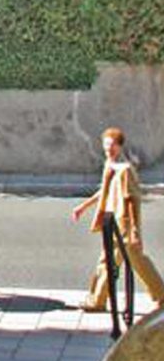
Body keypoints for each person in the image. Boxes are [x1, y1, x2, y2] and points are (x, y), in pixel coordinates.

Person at [72, 127, 164, 312]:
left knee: (112, 262)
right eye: (106, 146)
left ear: (120, 146)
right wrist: (84, 206)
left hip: (123, 225)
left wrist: (134, 230)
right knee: (131, 261)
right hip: (111, 221)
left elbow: (131, 200)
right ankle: (160, 295)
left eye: (112, 146)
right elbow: (104, 190)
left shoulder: (125, 170)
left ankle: (98, 301)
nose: (109, 149)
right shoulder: (111, 165)